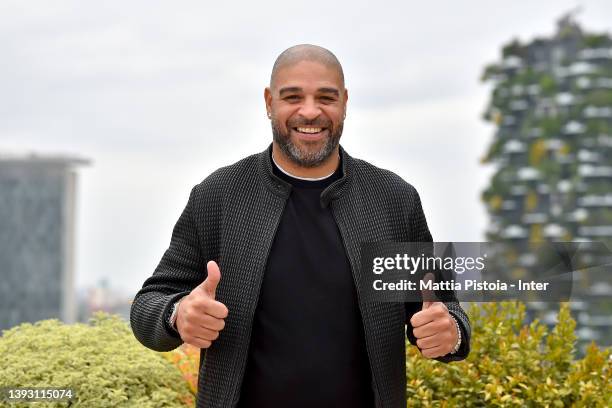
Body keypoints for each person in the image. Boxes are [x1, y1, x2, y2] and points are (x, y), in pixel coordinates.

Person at [130, 44, 471, 408]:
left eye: (326, 97)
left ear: (344, 103)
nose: (310, 111)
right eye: (293, 97)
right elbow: (148, 304)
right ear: (268, 102)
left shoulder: (393, 199)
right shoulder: (218, 196)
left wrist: (450, 333)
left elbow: (443, 309)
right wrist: (177, 314)